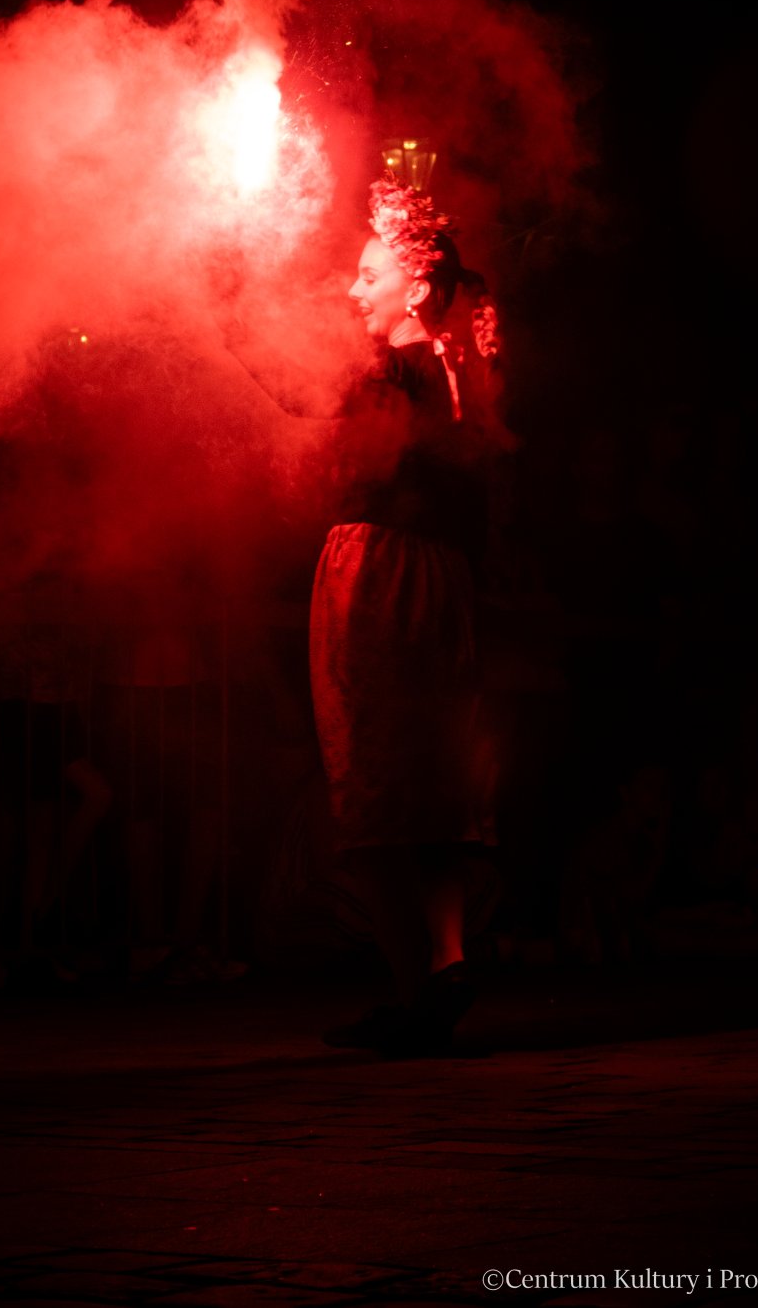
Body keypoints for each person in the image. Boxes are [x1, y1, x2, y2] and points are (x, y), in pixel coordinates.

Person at [310, 175, 504, 1054]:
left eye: (368, 272)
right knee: (434, 783)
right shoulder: (464, 370)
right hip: (439, 585)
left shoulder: (392, 367)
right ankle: (445, 964)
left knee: (376, 787)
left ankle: (411, 986)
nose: (354, 288)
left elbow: (319, 435)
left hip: (382, 579)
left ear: (416, 285)